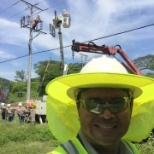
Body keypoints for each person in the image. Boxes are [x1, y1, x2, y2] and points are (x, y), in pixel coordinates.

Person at [46, 55, 154, 154]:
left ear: (130, 107)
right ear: (78, 109)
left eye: (118, 103)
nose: (107, 115)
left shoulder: (131, 150)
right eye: (93, 104)